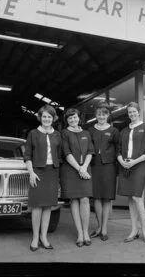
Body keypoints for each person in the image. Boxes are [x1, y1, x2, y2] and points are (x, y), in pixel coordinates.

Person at [24, 104, 62, 251]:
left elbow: (59, 156)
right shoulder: (33, 133)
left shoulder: (57, 135)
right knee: (37, 207)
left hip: (52, 173)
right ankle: (35, 237)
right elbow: (27, 154)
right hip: (37, 172)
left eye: (49, 117)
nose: (47, 119)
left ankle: (44, 237)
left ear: (53, 118)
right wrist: (31, 173)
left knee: (48, 207)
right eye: (44, 116)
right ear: (40, 117)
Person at [117, 102, 145, 244]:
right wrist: (121, 161)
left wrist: (134, 162)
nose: (132, 114)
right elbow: (118, 150)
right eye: (129, 112)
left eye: (134, 112)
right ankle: (134, 230)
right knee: (130, 198)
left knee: (137, 197)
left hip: (140, 165)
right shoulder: (123, 131)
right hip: (125, 165)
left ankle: (144, 230)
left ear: (139, 112)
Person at [60, 108, 95, 247]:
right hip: (70, 169)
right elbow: (66, 152)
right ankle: (79, 233)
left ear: (79, 118)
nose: (73, 120)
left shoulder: (86, 133)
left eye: (75, 117)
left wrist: (84, 167)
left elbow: (90, 151)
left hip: (85, 168)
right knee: (74, 200)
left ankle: (86, 232)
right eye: (70, 118)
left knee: (85, 199)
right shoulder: (64, 133)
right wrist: (79, 169)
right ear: (67, 120)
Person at [88, 102, 120, 241]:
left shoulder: (114, 131)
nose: (101, 116)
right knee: (96, 197)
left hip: (109, 166)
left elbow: (119, 148)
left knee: (106, 197)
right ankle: (99, 226)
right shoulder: (90, 130)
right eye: (99, 114)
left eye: (104, 114)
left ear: (108, 115)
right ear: (96, 115)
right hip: (94, 165)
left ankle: (104, 229)